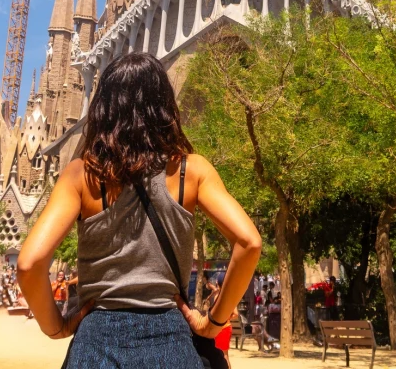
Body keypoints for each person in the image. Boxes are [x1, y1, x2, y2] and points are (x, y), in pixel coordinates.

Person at [18, 52, 263, 368]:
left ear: (104, 108)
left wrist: (56, 327)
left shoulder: (81, 176)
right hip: (170, 339)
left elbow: (28, 263)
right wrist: (211, 323)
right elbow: (250, 242)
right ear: (164, 106)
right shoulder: (192, 171)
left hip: (96, 340)